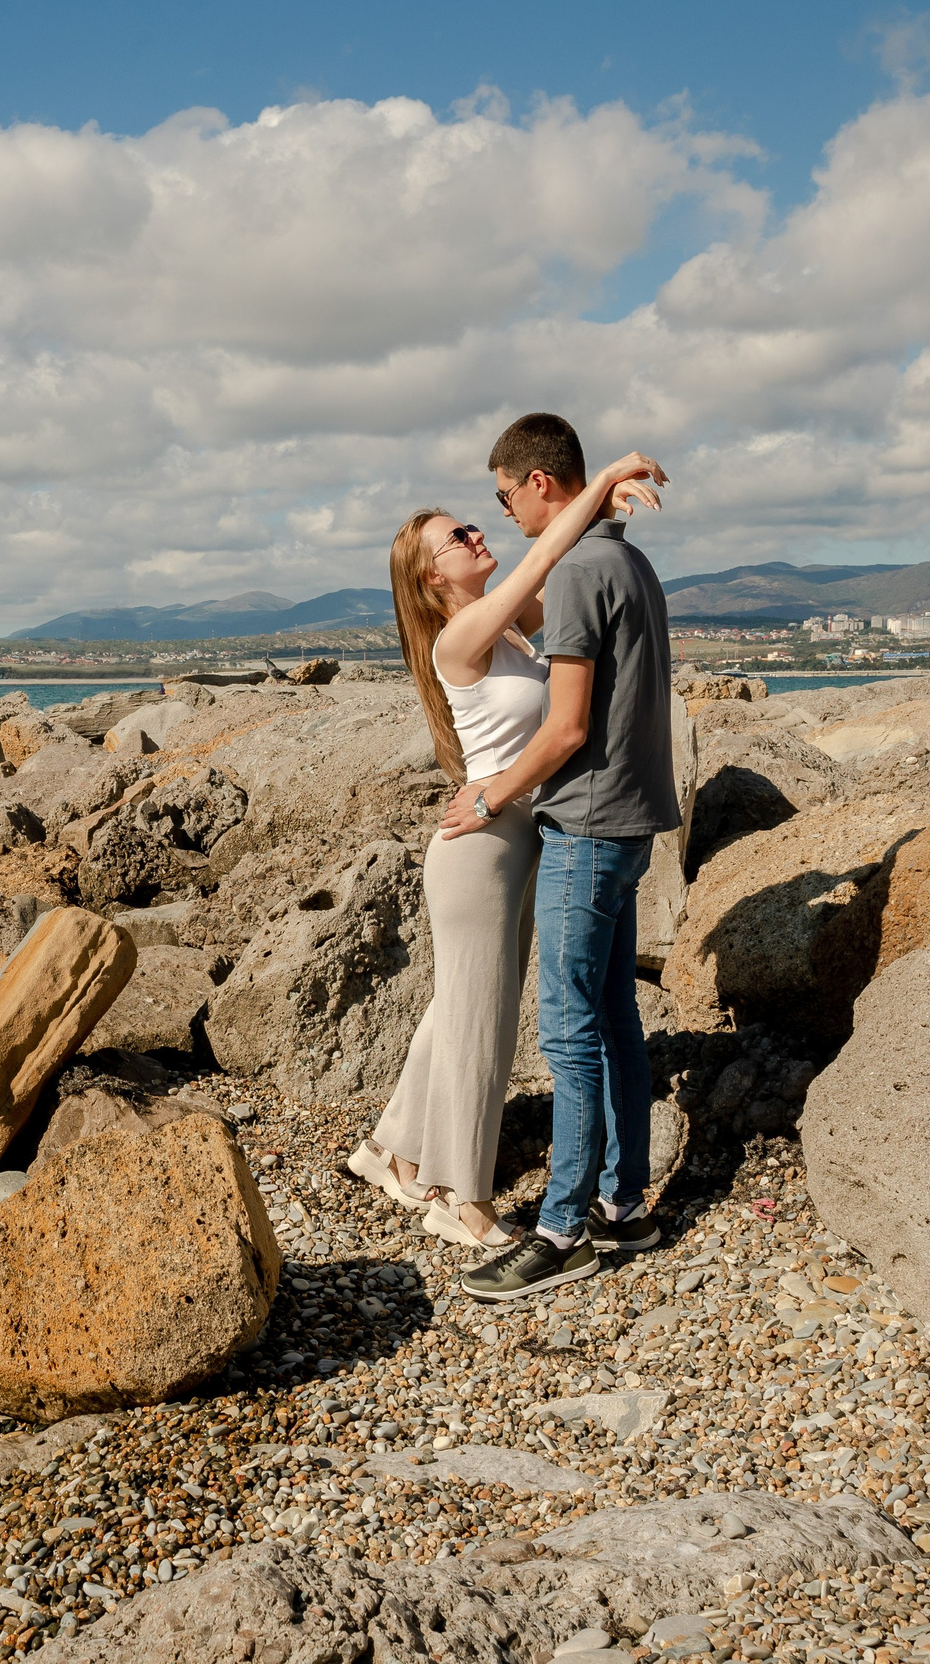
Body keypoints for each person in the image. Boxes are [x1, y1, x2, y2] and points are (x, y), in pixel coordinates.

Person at [343, 446, 669, 1255]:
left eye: (474, 518)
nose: (476, 528)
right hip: (483, 850)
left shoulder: (510, 629)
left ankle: (392, 1148)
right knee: (484, 1022)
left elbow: (572, 586)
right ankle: (463, 1197)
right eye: (457, 532)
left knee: (458, 1004)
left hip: (512, 839)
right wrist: (601, 480)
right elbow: (549, 554)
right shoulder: (460, 636)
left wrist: (606, 512)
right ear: (431, 578)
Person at [437, 413, 682, 1302]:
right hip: (633, 823)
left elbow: (568, 725)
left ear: (541, 482)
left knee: (571, 1031)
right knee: (615, 1015)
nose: (502, 515)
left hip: (583, 826)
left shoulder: (579, 571)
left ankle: (563, 1227)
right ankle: (627, 1204)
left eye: (504, 496)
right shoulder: (626, 561)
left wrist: (490, 795)